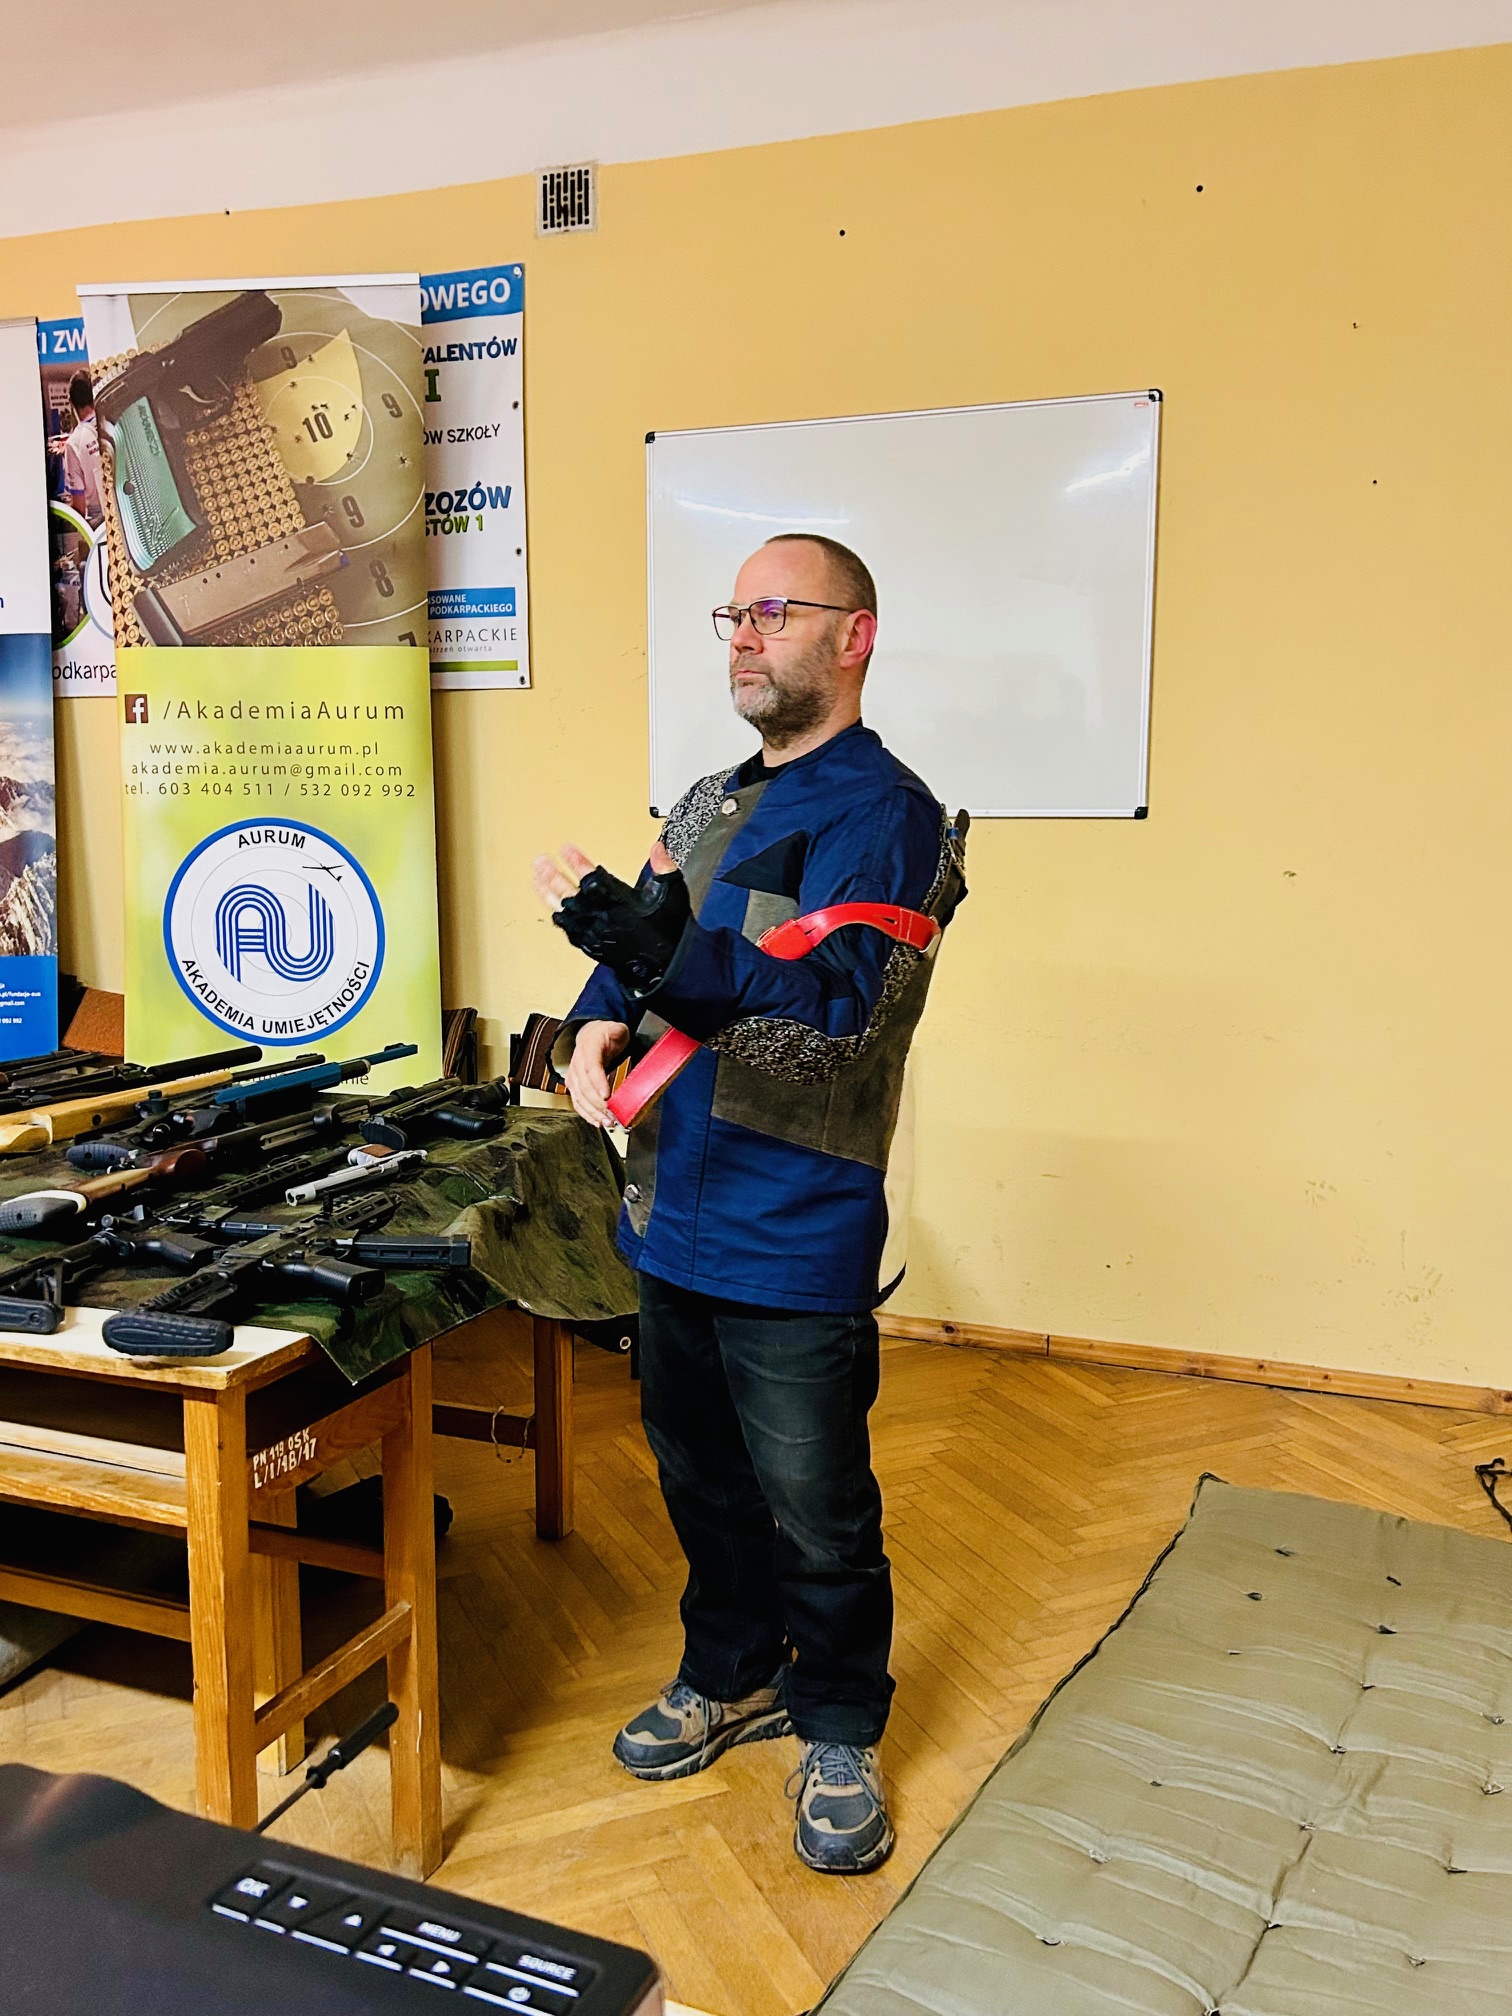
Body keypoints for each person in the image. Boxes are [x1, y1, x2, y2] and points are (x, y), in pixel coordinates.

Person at [533, 533, 966, 1875]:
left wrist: (663, 955)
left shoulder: (887, 818)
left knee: (817, 1508)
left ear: (854, 636)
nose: (743, 634)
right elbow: (642, 950)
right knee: (699, 1480)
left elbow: (832, 1017)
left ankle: (837, 1722)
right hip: (671, 1205)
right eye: (733, 613)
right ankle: (728, 1671)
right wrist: (596, 1021)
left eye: (775, 610)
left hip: (795, 1223)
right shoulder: (707, 800)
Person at [61, 372, 103, 528]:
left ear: (71, 401)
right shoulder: (110, 422)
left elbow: (79, 509)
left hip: (99, 524)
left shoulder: (74, 444)